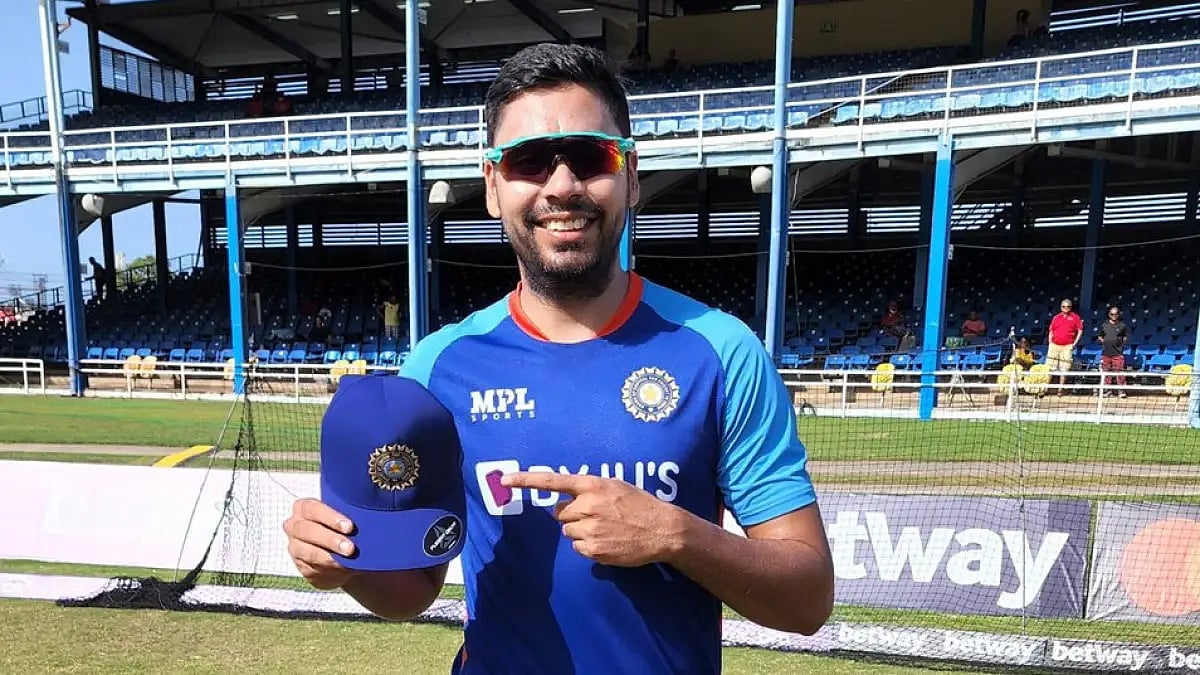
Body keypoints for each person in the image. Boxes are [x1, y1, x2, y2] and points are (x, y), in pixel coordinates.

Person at [283, 43, 834, 674]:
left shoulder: (721, 350)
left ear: (630, 174)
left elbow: (808, 598)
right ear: (493, 187)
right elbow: (412, 591)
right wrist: (339, 565)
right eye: (530, 161)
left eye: (590, 157)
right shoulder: (439, 367)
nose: (563, 186)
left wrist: (674, 534)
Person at [1047, 298, 1083, 396]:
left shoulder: (1075, 317)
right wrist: (1050, 341)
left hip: (1067, 346)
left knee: (1064, 368)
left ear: (1071, 307)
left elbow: (1080, 330)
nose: (1066, 308)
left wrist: (1074, 343)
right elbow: (1051, 330)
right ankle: (1045, 388)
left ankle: (1060, 389)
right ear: (1061, 307)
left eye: (1068, 306)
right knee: (1050, 367)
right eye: (1064, 306)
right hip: (1054, 345)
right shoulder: (1056, 317)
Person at [1096, 305, 1129, 398]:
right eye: (1112, 314)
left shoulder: (1122, 325)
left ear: (1119, 314)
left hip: (1118, 353)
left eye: (1116, 314)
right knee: (1106, 372)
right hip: (1106, 353)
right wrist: (1105, 342)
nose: (1114, 316)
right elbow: (1100, 336)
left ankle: (1121, 391)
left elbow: (1125, 337)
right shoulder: (1104, 325)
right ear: (1109, 315)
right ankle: (1108, 391)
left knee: (1120, 372)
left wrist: (1120, 344)